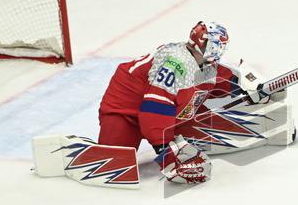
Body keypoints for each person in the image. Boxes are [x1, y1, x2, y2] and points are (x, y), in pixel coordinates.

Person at [98, 21, 248, 184]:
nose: (220, 52)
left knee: (201, 122)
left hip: (164, 112)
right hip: (125, 111)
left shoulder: (200, 62)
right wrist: (164, 149)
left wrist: (239, 85)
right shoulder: (176, 63)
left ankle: (176, 132)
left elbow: (210, 80)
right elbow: (154, 108)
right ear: (205, 45)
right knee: (112, 166)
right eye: (218, 46)